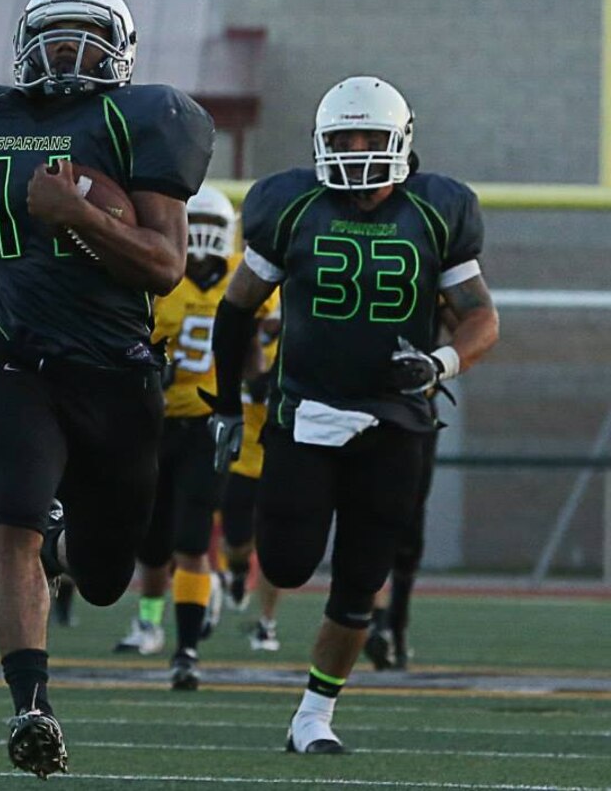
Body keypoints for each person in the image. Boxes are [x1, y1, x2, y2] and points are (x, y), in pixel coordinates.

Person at [0, 0, 213, 778]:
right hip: (18, 362)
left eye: (85, 36)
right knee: (12, 526)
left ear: (121, 51)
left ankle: (67, 545)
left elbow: (167, 267)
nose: (67, 51)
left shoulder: (140, 119)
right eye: (54, 34)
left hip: (116, 373)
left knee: (104, 577)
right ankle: (30, 705)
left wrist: (79, 218)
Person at [206, 76, 499, 754]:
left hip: (395, 421)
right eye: (343, 139)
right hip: (304, 411)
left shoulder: (436, 211)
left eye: (369, 138)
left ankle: (313, 716)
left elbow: (480, 317)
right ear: (319, 142)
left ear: (399, 140)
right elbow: (236, 308)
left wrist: (438, 365)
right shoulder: (289, 205)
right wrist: (226, 404)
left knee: (363, 581)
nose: (356, 151)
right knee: (283, 564)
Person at [111, 184, 237, 690]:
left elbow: (260, 349)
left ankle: (185, 649)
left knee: (189, 539)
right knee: (152, 540)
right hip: (159, 424)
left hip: (209, 425)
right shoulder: (161, 279)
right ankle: (150, 620)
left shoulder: (245, 282)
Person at [364, 302, 457, 671]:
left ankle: (390, 624)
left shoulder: (434, 276)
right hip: (359, 405)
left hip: (412, 411)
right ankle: (377, 621)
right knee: (369, 520)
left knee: (403, 523)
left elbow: (472, 326)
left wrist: (437, 364)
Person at [218, 290, 283, 652]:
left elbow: (263, 384)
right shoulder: (244, 339)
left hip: (280, 462)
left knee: (275, 548)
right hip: (244, 461)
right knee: (238, 544)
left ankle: (267, 623)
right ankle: (239, 572)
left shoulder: (293, 344)